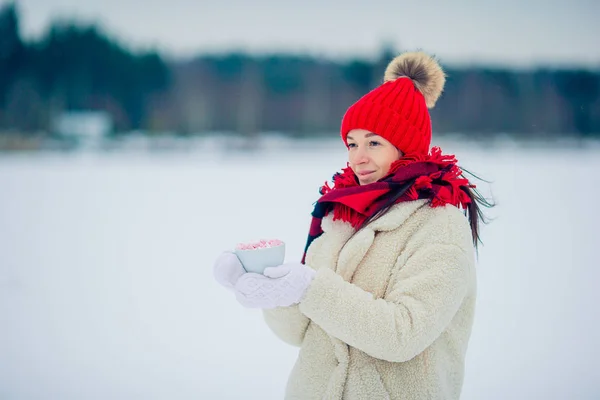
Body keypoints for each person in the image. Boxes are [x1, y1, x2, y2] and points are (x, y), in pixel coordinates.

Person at [213, 51, 491, 400]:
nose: (358, 156)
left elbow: (403, 334)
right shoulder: (341, 216)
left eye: (374, 143)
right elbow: (301, 332)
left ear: (407, 148)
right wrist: (267, 287)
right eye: (352, 143)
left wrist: (311, 289)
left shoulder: (440, 225)